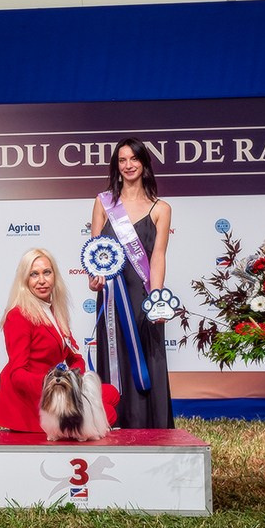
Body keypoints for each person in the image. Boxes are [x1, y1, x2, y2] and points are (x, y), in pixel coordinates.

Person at [87, 137, 174, 428]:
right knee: (115, 356)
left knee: (149, 359)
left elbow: (158, 256)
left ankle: (154, 426)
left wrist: (158, 298)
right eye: (122, 160)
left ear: (144, 163)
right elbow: (94, 250)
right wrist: (94, 279)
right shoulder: (103, 202)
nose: (128, 165)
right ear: (116, 166)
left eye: (134, 159)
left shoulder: (161, 208)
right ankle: (114, 421)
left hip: (145, 296)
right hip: (111, 296)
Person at [0, 248, 119, 433]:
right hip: (34, 396)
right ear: (24, 280)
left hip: (60, 387)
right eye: (34, 275)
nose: (42, 280)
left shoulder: (54, 310)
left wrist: (75, 382)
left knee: (111, 394)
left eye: (47, 272)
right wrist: (56, 387)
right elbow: (17, 375)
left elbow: (74, 355)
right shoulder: (18, 315)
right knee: (107, 412)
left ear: (54, 275)